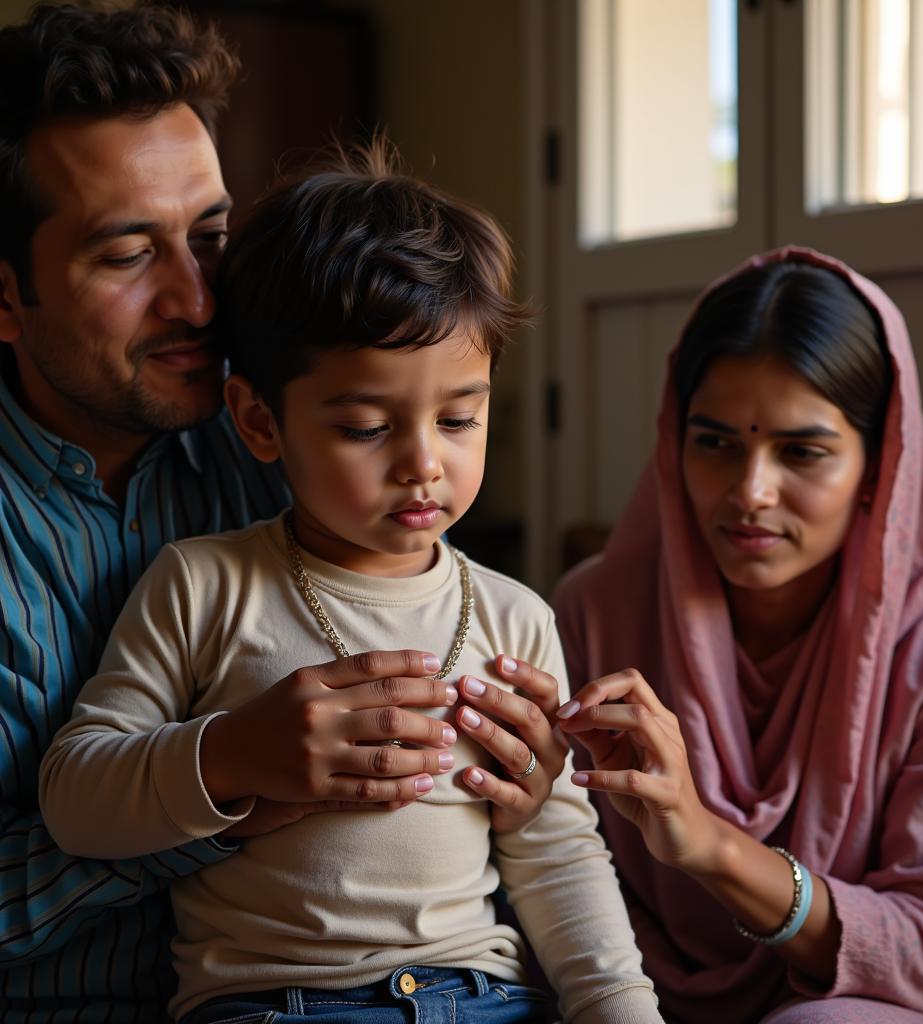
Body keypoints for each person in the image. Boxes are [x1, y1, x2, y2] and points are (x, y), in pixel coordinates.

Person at [0, 5, 557, 1020]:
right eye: (126, 257)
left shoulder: (290, 436)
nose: (200, 301)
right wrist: (231, 784)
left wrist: (516, 776)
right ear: (4, 297)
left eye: (210, 238)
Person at [38, 143, 663, 1024]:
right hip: (276, 1003)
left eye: (458, 418)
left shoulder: (515, 615)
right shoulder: (204, 585)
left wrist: (620, 1006)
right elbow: (76, 798)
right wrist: (232, 756)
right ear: (261, 421)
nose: (422, 464)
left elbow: (557, 850)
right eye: (367, 426)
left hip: (480, 993)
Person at [550, 247, 923, 1023]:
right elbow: (551, 870)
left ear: (880, 467)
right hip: (634, 983)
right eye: (715, 443)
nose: (751, 492)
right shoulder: (597, 614)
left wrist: (708, 845)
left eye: (801, 451)